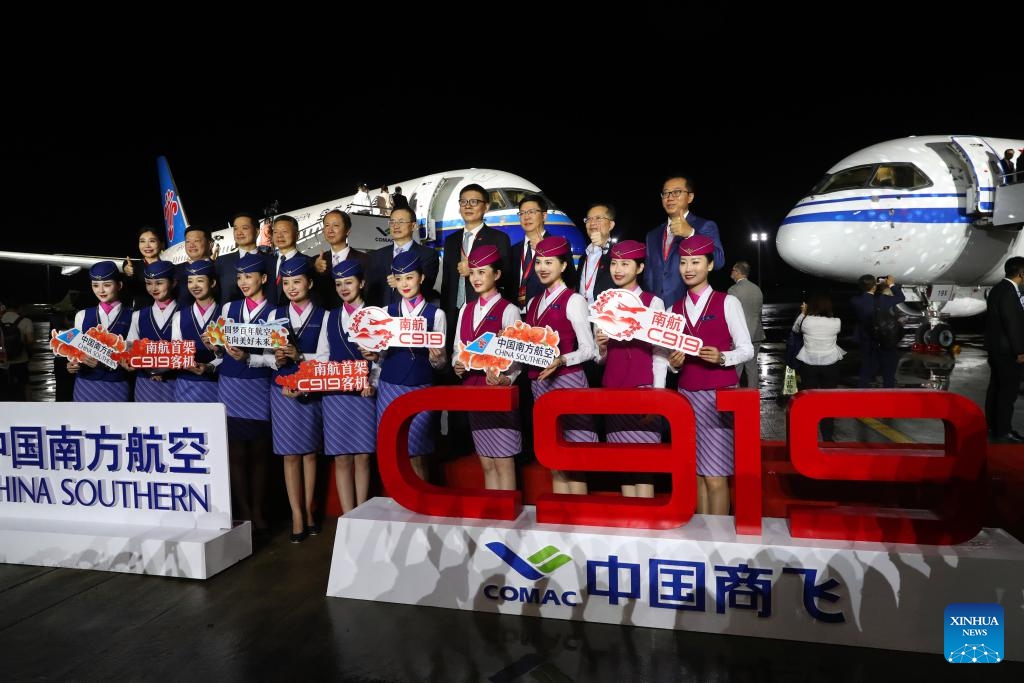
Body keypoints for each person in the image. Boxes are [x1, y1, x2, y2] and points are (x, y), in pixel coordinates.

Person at [666, 234, 753, 516]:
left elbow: (747, 349)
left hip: (719, 396)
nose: (688, 268)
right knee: (696, 475)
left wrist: (723, 357)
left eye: (696, 262)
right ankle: (703, 535)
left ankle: (720, 537)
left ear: (710, 264)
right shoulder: (672, 310)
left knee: (716, 476)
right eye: (683, 262)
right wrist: (674, 364)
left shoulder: (727, 302)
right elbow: (669, 363)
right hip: (686, 398)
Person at [254, 256, 325, 542]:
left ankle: (309, 510)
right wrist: (277, 360)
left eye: (297, 282)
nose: (292, 288)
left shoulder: (323, 315)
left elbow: (325, 359)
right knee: (290, 454)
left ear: (310, 283)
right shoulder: (275, 315)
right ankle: (296, 513)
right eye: (286, 283)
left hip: (311, 389)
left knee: (310, 453)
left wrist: (300, 357)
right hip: (282, 390)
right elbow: (265, 356)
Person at [363, 251, 446, 481]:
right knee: (392, 449)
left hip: (421, 385)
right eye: (399, 279)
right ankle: (396, 500)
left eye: (410, 277)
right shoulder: (386, 313)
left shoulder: (436, 314)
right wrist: (374, 355)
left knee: (417, 452)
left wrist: (437, 357)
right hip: (390, 385)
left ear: (421, 278)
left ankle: (422, 499)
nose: (405, 284)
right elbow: (381, 356)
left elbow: (440, 364)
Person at [593, 240, 667, 498]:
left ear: (640, 268)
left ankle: (646, 518)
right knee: (622, 463)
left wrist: (658, 396)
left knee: (644, 464)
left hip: (643, 390)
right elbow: (600, 359)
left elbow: (660, 354)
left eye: (625, 264)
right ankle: (628, 517)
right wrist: (601, 347)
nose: (618, 269)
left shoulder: (653, 303)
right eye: (614, 263)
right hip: (612, 391)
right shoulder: (604, 304)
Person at [525, 236, 597, 495]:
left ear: (564, 265)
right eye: (539, 262)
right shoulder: (533, 302)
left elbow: (589, 349)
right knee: (552, 454)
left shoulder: (574, 300)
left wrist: (562, 360)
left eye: (549, 262)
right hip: (540, 383)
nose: (542, 268)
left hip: (568, 381)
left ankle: (580, 513)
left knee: (575, 456)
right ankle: (561, 512)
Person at [452, 245, 522, 491]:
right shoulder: (466, 309)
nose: (476, 278)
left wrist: (507, 378)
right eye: (472, 273)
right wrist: (457, 364)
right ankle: (494, 510)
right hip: (473, 390)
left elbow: (518, 357)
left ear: (497, 274)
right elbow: (458, 348)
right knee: (486, 462)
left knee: (503, 461)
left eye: (482, 272)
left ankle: (508, 512)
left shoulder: (509, 310)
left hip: (498, 392)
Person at [217, 253, 274, 533]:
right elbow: (220, 347)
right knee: (236, 452)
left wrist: (248, 357)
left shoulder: (274, 312)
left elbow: (275, 357)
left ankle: (260, 508)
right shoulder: (229, 308)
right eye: (239, 277)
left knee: (260, 451)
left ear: (263, 279)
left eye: (248, 277)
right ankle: (244, 510)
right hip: (231, 383)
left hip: (258, 383)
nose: (243, 282)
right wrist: (216, 346)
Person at [319, 259, 378, 513]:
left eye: (349, 282)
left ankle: (361, 514)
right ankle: (347, 516)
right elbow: (323, 356)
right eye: (339, 283)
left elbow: (382, 357)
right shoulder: (330, 316)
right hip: (335, 395)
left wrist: (372, 382)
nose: (343, 288)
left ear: (361, 283)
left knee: (363, 457)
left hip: (364, 394)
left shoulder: (376, 315)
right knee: (341, 458)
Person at [440, 184, 512, 345]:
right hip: (453, 311)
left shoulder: (498, 238)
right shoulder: (451, 240)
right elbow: (447, 282)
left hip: (484, 310)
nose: (468, 206)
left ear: (486, 206)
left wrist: (474, 270)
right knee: (455, 355)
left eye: (474, 202)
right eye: (463, 202)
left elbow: (506, 277)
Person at [643, 175, 724, 307]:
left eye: (676, 192)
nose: (670, 197)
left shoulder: (705, 226)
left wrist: (691, 234)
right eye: (665, 193)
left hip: (688, 306)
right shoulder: (652, 235)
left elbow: (719, 261)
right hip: (656, 309)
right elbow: (649, 274)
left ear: (690, 197)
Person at [67, 261, 133, 402]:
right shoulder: (82, 315)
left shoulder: (133, 316)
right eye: (95, 285)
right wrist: (73, 363)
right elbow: (76, 350)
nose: (101, 290)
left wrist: (103, 362)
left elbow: (131, 354)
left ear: (119, 285)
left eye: (107, 285)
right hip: (86, 383)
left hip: (117, 384)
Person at [791, 293, 845, 441]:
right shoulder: (836, 322)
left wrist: (803, 313)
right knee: (828, 401)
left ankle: (808, 435)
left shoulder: (806, 321)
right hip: (830, 364)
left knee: (808, 400)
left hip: (809, 363)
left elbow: (795, 329)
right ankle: (827, 436)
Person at [125, 260, 178, 402]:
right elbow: (130, 348)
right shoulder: (138, 315)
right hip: (145, 384)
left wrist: (161, 368)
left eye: (159, 283)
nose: (153, 288)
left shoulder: (184, 314)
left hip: (176, 382)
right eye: (149, 283)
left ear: (173, 283)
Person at [365, 207, 440, 307]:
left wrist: (400, 282)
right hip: (381, 314)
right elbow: (370, 292)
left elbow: (426, 288)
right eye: (392, 222)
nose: (396, 226)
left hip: (412, 313)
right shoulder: (375, 256)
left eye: (401, 221)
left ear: (413, 226)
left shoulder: (428, 255)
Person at [984, 256, 1024, 443]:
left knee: (996, 389)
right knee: (1008, 392)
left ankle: (992, 426)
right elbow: (1012, 324)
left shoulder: (998, 289)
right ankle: (1004, 431)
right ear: (1021, 274)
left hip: (996, 348)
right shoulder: (1009, 292)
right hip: (1007, 351)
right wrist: (1020, 351)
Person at [170, 259, 221, 404]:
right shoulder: (179, 316)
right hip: (185, 384)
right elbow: (176, 351)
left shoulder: (225, 314)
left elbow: (231, 354)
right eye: (190, 281)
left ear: (212, 283)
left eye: (200, 280)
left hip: (217, 384)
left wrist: (210, 366)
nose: (194, 286)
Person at [850, 274, 905, 388]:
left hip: (866, 339)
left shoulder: (855, 301)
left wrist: (873, 287)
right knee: (888, 370)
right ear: (874, 286)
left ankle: (862, 393)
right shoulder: (882, 299)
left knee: (866, 370)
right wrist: (891, 285)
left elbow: (865, 297)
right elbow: (901, 297)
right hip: (883, 339)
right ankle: (888, 392)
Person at [314, 209, 367, 309]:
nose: (330, 230)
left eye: (336, 225)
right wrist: (315, 270)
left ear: (347, 231)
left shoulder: (364, 260)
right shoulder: (316, 261)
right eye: (327, 225)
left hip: (356, 314)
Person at [216, 212, 273, 306]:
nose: (239, 232)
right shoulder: (221, 262)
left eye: (244, 228)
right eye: (235, 229)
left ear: (257, 232)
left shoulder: (272, 261)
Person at [510, 194, 551, 312]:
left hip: (545, 312)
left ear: (544, 216)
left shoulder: (559, 245)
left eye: (531, 212)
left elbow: (569, 280)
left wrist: (544, 249)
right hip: (516, 313)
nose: (526, 217)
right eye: (522, 213)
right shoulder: (513, 250)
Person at [727, 261, 765, 389]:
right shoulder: (757, 289)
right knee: (752, 367)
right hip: (755, 333)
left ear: (738, 272)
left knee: (736, 367)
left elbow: (731, 315)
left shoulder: (733, 290)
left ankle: (734, 395)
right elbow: (759, 313)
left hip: (740, 335)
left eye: (733, 270)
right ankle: (754, 394)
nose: (731, 272)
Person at [578, 203, 616, 305]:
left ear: (611, 225)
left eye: (598, 218)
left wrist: (604, 245)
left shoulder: (619, 254)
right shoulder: (583, 256)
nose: (592, 223)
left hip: (607, 312)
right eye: (589, 219)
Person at [122, 226, 166, 309]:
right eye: (142, 241)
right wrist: (129, 274)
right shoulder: (133, 265)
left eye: (152, 241)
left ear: (162, 244)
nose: (147, 246)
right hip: (141, 312)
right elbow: (130, 289)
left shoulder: (168, 266)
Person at [0, 297, 34, 401]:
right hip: (21, 359)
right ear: (20, 307)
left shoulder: (1, 319)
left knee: (4, 388)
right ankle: (28, 406)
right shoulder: (26, 321)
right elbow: (30, 341)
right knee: (25, 385)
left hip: (2, 362)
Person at [173, 226, 215, 308]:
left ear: (210, 244)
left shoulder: (220, 268)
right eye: (188, 241)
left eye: (196, 241)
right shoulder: (175, 272)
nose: (191, 245)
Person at [268, 215, 303, 306]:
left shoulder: (307, 262)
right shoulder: (266, 262)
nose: (279, 236)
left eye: (284, 231)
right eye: (275, 232)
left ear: (297, 235)